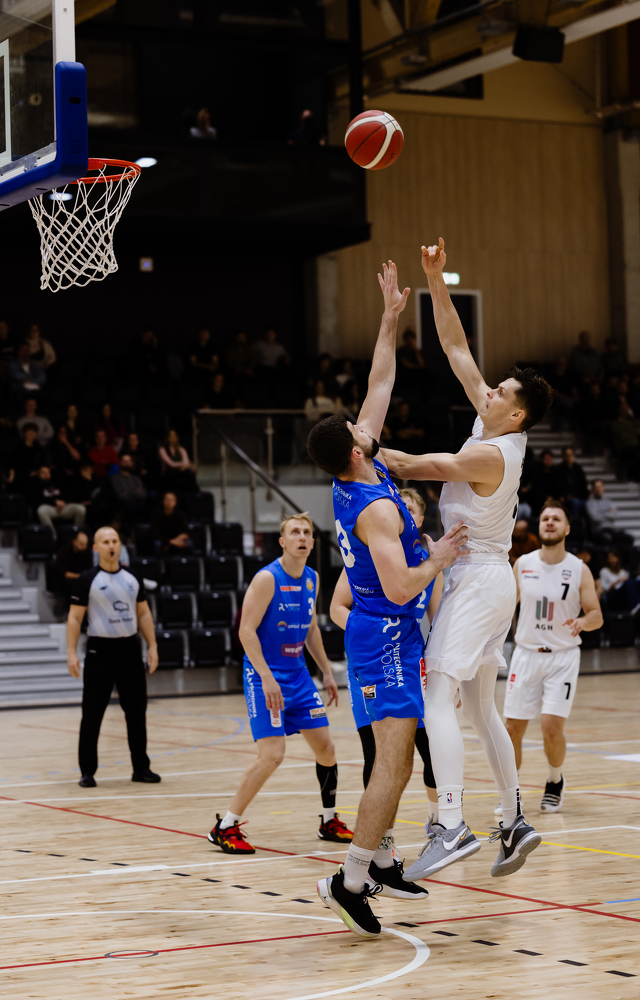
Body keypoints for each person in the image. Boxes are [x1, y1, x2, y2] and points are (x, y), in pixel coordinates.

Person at [382, 238, 553, 886]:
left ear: (515, 411)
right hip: (486, 578)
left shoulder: (489, 453)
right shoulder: (496, 424)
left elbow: (421, 465)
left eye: (499, 390)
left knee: (439, 694)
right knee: (481, 709)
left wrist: (364, 449)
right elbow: (455, 347)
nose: (487, 388)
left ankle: (450, 823)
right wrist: (435, 281)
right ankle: (514, 817)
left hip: (478, 580)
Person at [307, 259, 468, 938]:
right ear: (351, 452)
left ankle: (374, 863)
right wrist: (440, 555)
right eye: (353, 428)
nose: (361, 423)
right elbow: (402, 585)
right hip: (382, 633)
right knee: (394, 761)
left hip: (391, 633)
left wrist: (389, 316)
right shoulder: (372, 507)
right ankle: (348, 881)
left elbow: (379, 381)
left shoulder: (361, 461)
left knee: (397, 762)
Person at [208, 513, 353, 855]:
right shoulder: (267, 578)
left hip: (298, 675)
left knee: (326, 748)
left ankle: (328, 820)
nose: (302, 537)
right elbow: (245, 631)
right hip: (265, 675)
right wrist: (267, 677)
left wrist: (326, 672)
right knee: (273, 755)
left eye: (307, 532)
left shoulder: (313, 577)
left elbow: (311, 629)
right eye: (295, 532)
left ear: (313, 542)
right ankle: (225, 826)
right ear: (282, 541)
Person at [330, 488, 441, 807]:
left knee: (432, 750)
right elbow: (337, 608)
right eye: (397, 508)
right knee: (376, 753)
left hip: (409, 664)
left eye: (408, 510)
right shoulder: (367, 555)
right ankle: (383, 835)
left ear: (419, 520)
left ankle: (438, 821)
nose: (399, 514)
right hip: (371, 661)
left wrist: (444, 673)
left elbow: (437, 624)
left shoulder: (431, 566)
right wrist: (373, 635)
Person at [502, 501, 602, 814]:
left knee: (551, 728)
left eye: (556, 519)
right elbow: (505, 609)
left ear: (567, 528)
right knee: (511, 730)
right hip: (526, 654)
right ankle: (511, 794)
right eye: (545, 518)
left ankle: (555, 780)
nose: (549, 522)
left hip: (562, 657)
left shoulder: (579, 569)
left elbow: (596, 615)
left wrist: (583, 622)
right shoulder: (523, 564)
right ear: (539, 525)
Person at [66, 526, 160, 787]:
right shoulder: (87, 579)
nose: (111, 545)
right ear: (96, 548)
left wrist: (152, 645)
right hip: (99, 651)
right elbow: (74, 618)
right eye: (105, 541)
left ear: (120, 545)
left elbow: (143, 613)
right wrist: (71, 652)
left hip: (130, 650)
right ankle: (87, 772)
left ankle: (141, 768)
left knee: (136, 712)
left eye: (115, 541)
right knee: (92, 713)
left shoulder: (133, 577)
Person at [30, 465, 86, 536]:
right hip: (50, 508)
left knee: (80, 509)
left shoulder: (57, 483)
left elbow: (68, 495)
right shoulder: (36, 486)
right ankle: (53, 537)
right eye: (43, 473)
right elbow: (37, 501)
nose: (46, 475)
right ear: (38, 474)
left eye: (48, 473)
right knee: (41, 510)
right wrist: (54, 502)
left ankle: (76, 536)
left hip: (63, 507)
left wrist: (63, 502)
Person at [7, 424, 46, 492]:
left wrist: (38, 472)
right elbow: (12, 463)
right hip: (21, 474)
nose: (31, 434)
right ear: (25, 434)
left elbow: (42, 462)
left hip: (36, 473)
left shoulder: (38, 447)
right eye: (29, 432)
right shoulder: (18, 447)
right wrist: (11, 476)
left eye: (33, 432)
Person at [151, 491, 191, 556]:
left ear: (175, 502)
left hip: (177, 540)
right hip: (163, 540)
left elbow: (185, 532)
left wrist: (177, 540)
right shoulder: (157, 515)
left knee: (189, 542)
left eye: (172, 500)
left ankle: (189, 561)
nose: (169, 502)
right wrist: (170, 542)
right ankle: (157, 562)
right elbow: (154, 534)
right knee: (157, 544)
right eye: (167, 500)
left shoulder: (181, 514)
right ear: (163, 501)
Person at [553, 447, 588, 519]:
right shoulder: (559, 469)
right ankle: (575, 523)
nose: (569, 457)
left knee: (590, 504)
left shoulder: (578, 468)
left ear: (574, 456)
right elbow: (558, 486)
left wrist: (586, 495)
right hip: (566, 498)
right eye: (567, 455)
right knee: (575, 503)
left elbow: (583, 484)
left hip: (579, 496)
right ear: (563, 457)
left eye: (571, 454)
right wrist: (565, 495)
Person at [55, 530, 93, 595]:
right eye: (81, 544)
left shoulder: (87, 552)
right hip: (66, 583)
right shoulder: (64, 552)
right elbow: (64, 574)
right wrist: (80, 576)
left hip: (83, 580)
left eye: (85, 544)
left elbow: (90, 570)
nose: (84, 547)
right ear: (74, 542)